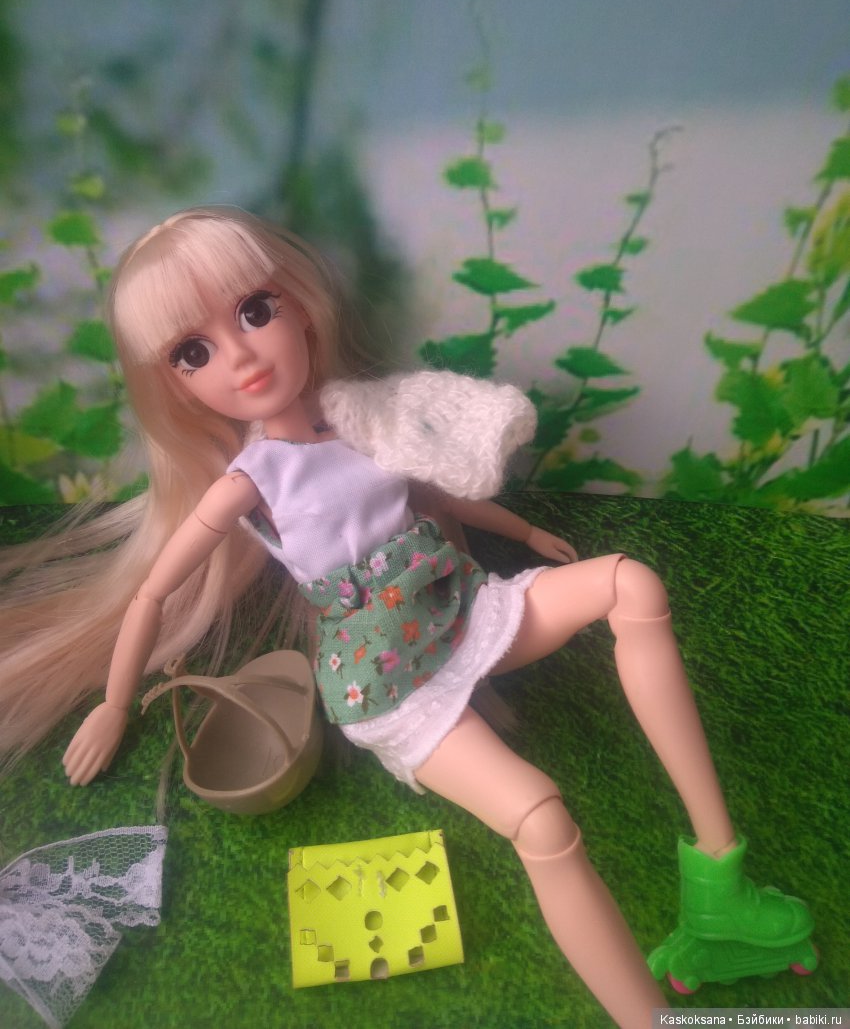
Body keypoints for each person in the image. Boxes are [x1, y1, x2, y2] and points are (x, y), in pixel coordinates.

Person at [0, 207, 814, 1029]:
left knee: (631, 583)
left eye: (253, 310)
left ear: (298, 306)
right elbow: (152, 592)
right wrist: (113, 703)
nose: (240, 354)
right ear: (177, 383)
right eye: (193, 350)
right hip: (391, 682)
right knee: (541, 816)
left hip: (461, 606)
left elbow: (432, 493)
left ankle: (721, 885)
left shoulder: (362, 415)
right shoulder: (251, 482)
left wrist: (523, 531)